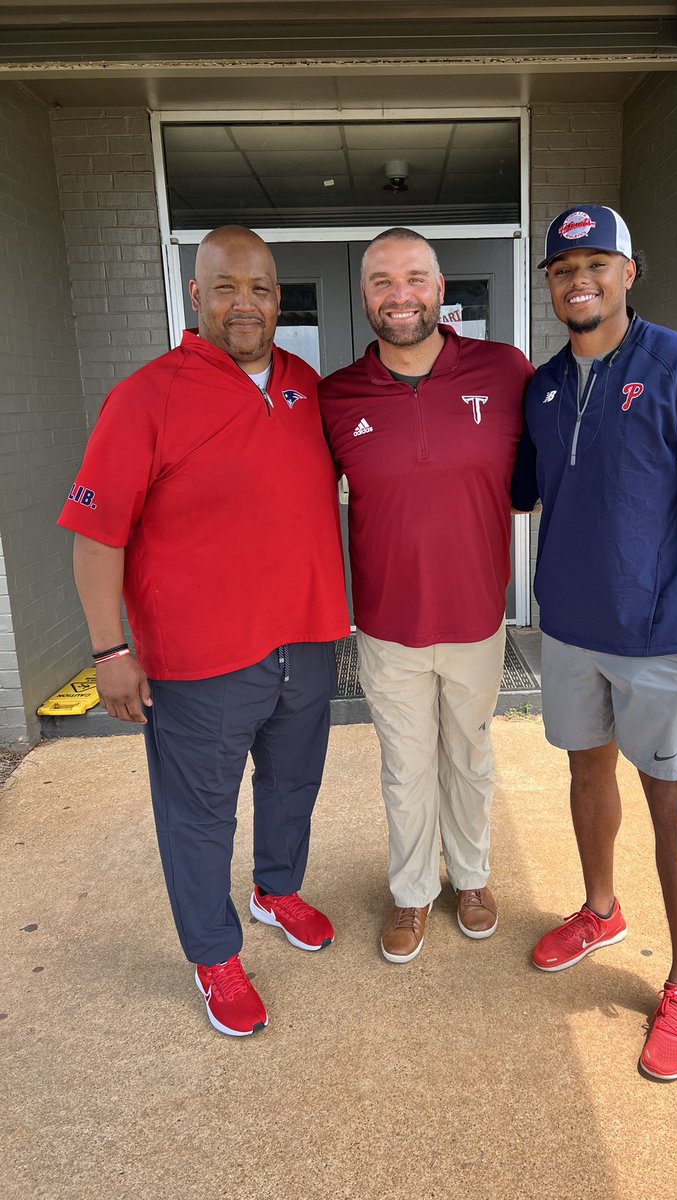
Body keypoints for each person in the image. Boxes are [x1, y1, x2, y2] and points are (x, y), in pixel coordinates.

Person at [58, 226, 349, 1037]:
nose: (245, 303)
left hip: (308, 638)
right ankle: (214, 954)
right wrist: (109, 650)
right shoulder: (146, 396)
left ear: (277, 297)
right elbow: (96, 535)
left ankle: (276, 889)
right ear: (196, 296)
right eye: (226, 287)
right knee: (198, 815)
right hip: (201, 661)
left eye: (260, 288)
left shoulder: (304, 385)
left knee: (292, 785)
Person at [511, 205, 677, 1081]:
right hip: (571, 632)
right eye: (561, 267)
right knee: (585, 774)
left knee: (671, 803)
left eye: (595, 261)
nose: (578, 278)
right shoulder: (540, 387)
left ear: (628, 269)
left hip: (661, 640)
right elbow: (527, 494)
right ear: (547, 284)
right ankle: (600, 910)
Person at [318, 228, 533, 963]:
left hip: (476, 617)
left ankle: (470, 877)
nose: (399, 293)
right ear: (365, 295)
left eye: (414, 277)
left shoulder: (506, 372)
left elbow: (555, 474)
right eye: (382, 280)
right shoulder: (337, 396)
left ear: (442, 291)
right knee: (404, 767)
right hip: (386, 624)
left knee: (469, 759)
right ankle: (412, 890)